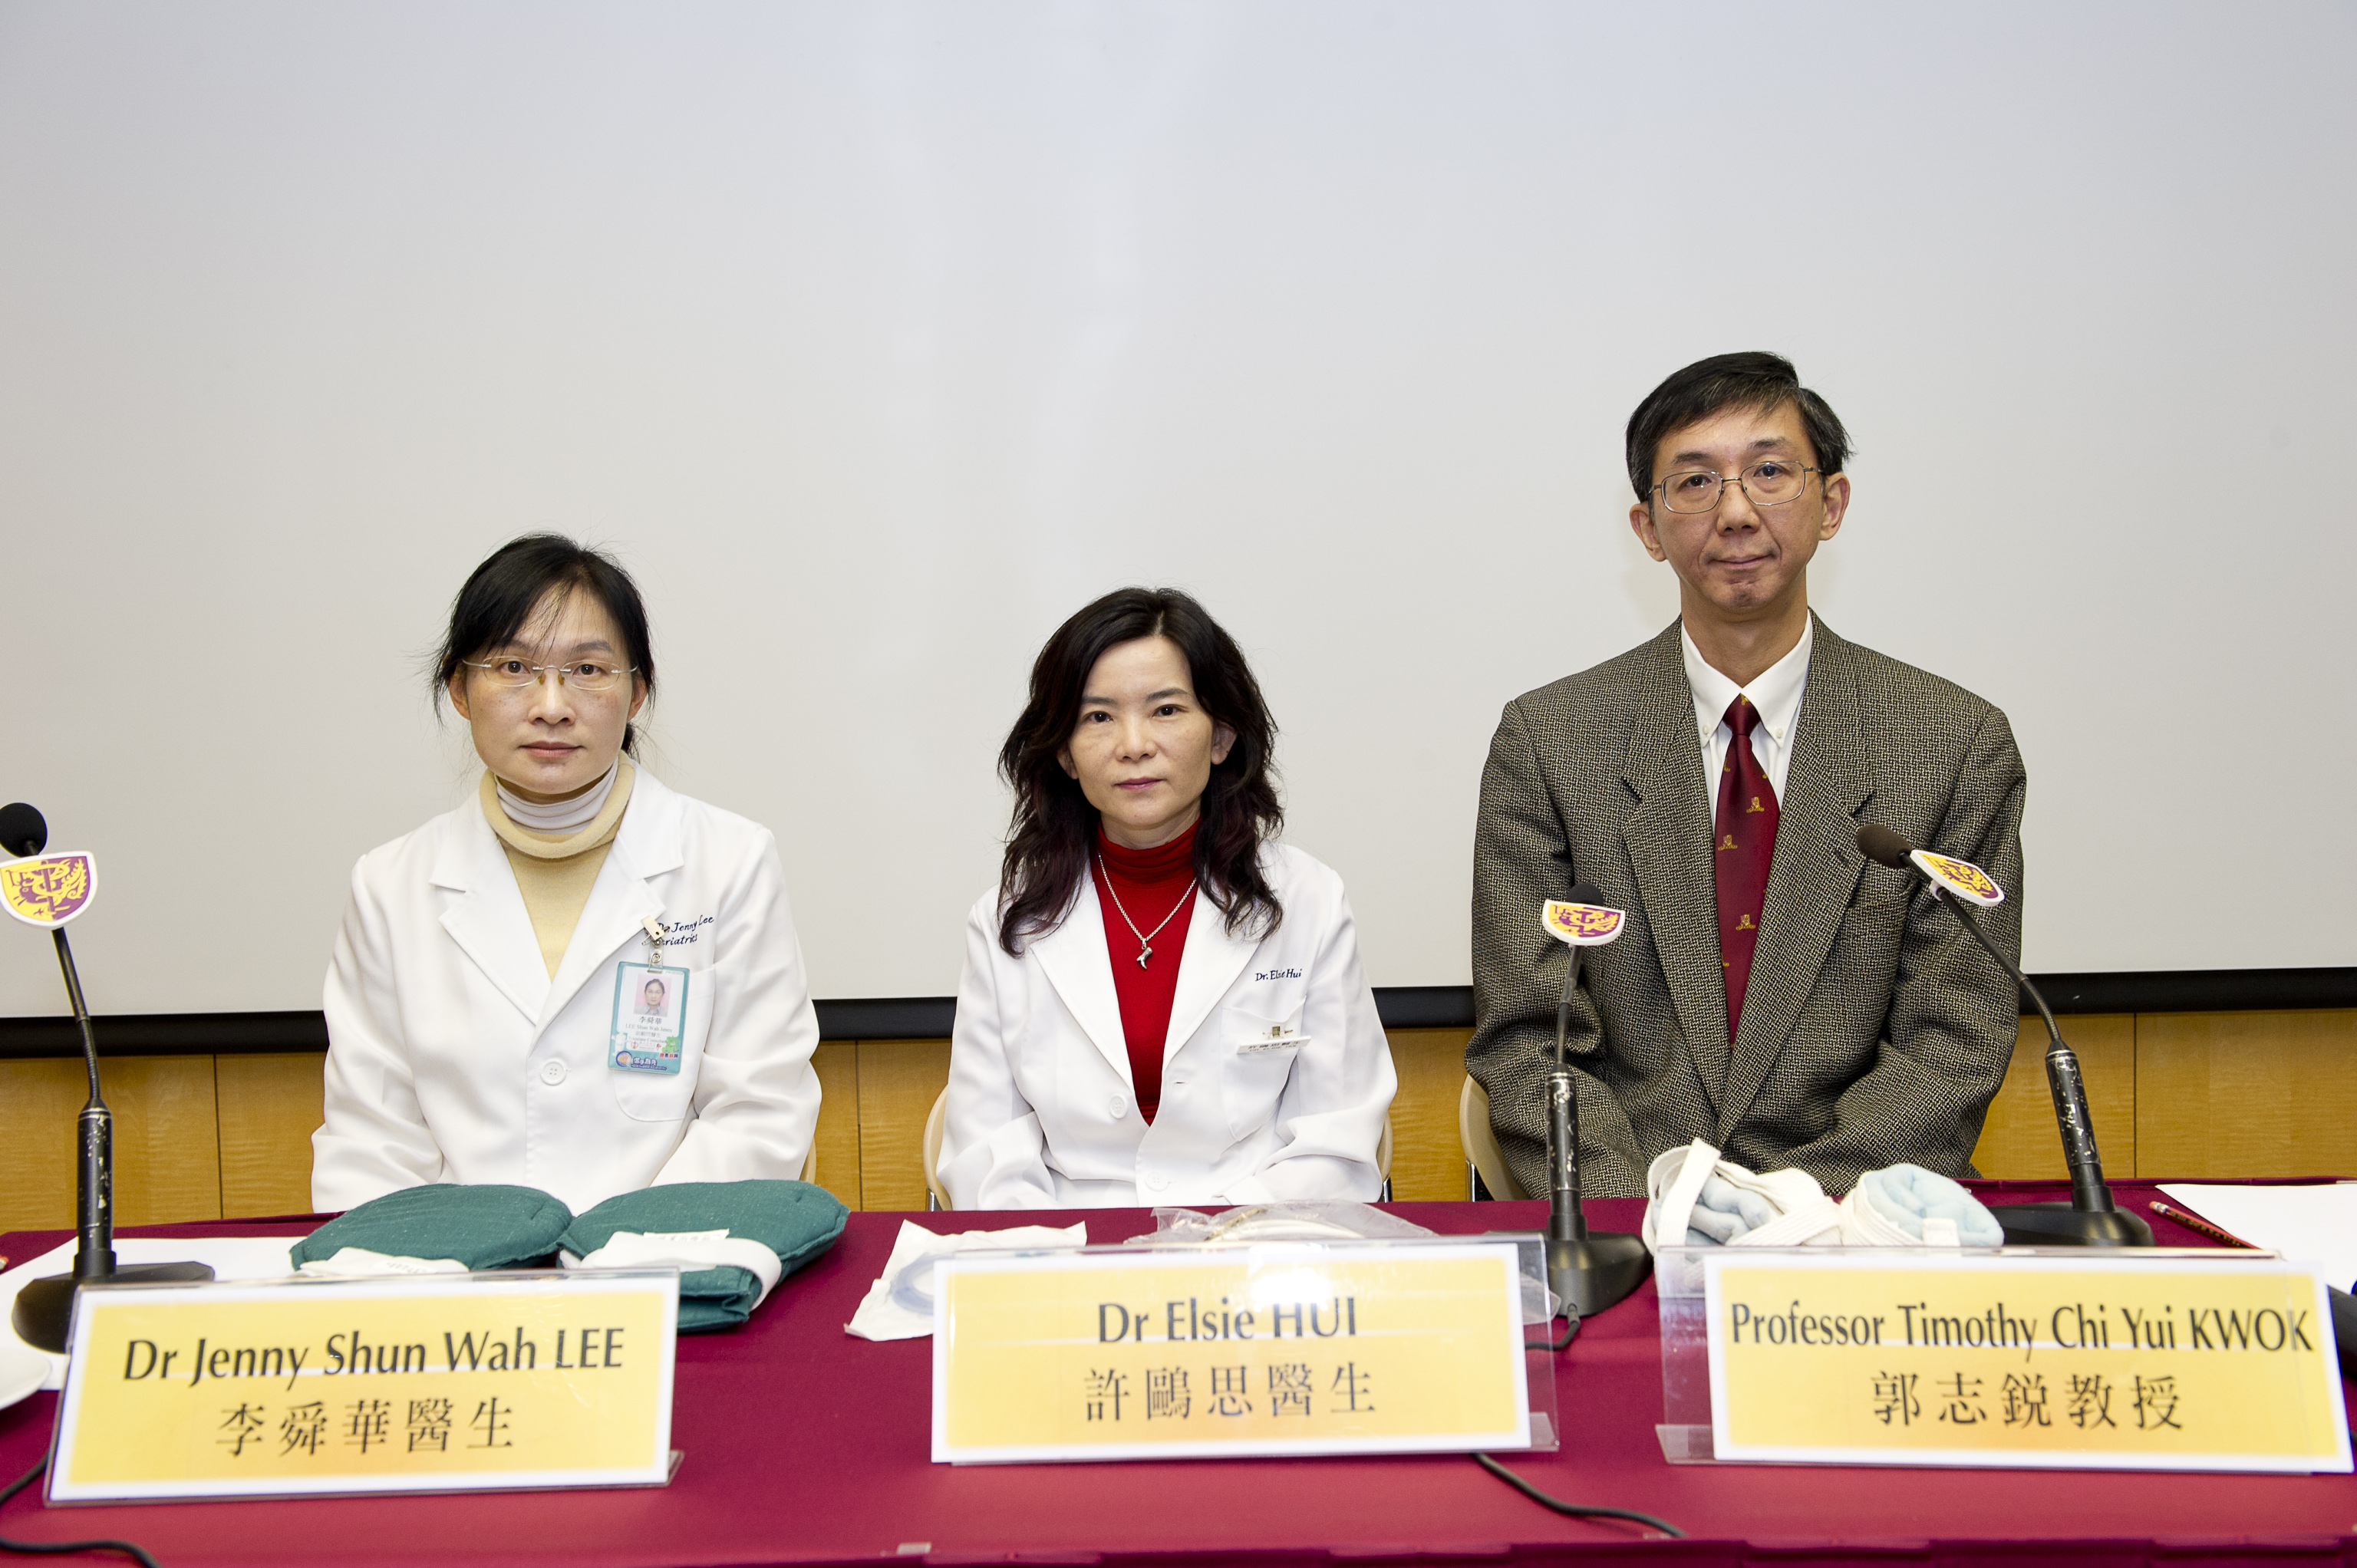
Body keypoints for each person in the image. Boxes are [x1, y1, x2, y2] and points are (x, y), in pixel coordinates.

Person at [1468, 352, 2024, 1199]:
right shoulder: (1551, 742)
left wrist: (1783, 1219)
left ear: (1831, 503)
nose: (1734, 512)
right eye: (1693, 482)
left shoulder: (1953, 743)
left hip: (1856, 1230)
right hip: (1634, 1226)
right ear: (1647, 528)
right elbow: (1530, 1046)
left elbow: (1948, 1048)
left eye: (1769, 472)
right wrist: (1653, 1221)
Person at [312, 535, 822, 1213]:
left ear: (637, 692)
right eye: (514, 665)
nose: (551, 704)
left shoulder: (729, 861)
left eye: (588, 670)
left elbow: (758, 1111)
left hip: (668, 1270)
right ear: (459, 689)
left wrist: (627, 1259)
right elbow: (371, 1141)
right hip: (459, 1286)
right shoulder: (390, 886)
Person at [940, 588, 1396, 1208]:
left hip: (1256, 1248)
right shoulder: (1006, 921)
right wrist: (1060, 1272)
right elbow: (986, 1156)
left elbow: (1333, 1140)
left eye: (1166, 710)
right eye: (1097, 717)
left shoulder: (1308, 901)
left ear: (1222, 735)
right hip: (1068, 1260)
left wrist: (1216, 1251)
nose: (1133, 744)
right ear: (1066, 754)